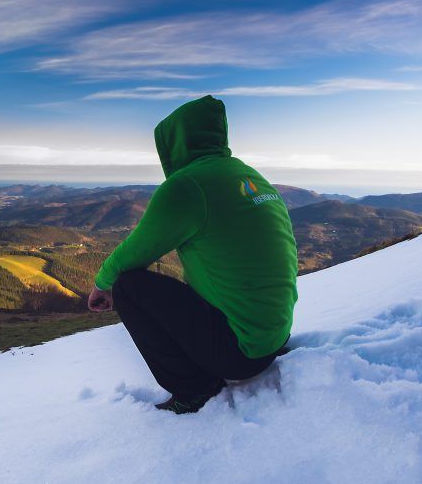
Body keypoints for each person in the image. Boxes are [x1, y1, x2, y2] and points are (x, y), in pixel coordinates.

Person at [87, 95, 298, 414]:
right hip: (273, 335)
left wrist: (103, 285)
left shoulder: (187, 185)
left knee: (129, 286)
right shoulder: (250, 176)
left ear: (173, 144)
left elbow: (135, 252)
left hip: (240, 352)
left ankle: (194, 390)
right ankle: (206, 371)